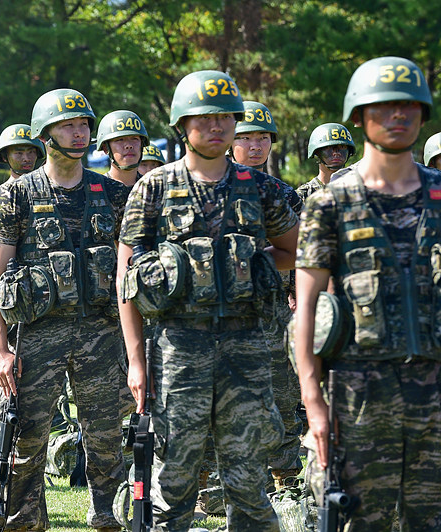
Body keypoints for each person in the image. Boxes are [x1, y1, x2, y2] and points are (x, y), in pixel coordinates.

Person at [117, 70, 298, 531]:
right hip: (179, 348)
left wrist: (254, 267)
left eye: (225, 118)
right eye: (204, 118)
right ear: (182, 124)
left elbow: (297, 250)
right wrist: (137, 362)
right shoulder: (153, 188)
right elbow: (127, 281)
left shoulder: (263, 189)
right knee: (175, 473)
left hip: (248, 349)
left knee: (248, 476)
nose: (216, 127)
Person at [295, 55, 441, 531]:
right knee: (364, 520)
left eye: (409, 107)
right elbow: (309, 309)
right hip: (358, 396)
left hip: (435, 393)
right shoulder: (330, 201)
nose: (398, 116)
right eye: (384, 107)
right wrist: (313, 403)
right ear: (359, 117)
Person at [0, 88, 128, 531]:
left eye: (85, 125)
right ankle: (27, 520)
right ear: (46, 134)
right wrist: (0, 350)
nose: (80, 132)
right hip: (37, 336)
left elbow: (128, 275)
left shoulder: (112, 193)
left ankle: (108, 515)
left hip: (102, 335)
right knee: (28, 439)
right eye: (69, 125)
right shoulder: (16, 195)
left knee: (106, 437)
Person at [230, 100, 304, 489]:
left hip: (274, 312)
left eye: (262, 137)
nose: (255, 145)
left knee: (281, 398)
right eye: (245, 137)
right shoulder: (213, 189)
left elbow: (303, 254)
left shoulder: (284, 194)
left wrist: (297, 298)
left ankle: (286, 479)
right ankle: (214, 487)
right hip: (224, 313)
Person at [296, 123, 356, 202]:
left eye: (342, 147)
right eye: (329, 147)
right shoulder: (304, 195)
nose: (336, 153)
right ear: (317, 152)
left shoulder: (359, 189)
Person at [96, 110, 148, 186]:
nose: (129, 145)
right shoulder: (95, 189)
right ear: (106, 148)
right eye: (120, 140)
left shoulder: (153, 189)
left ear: (142, 144)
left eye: (134, 139)